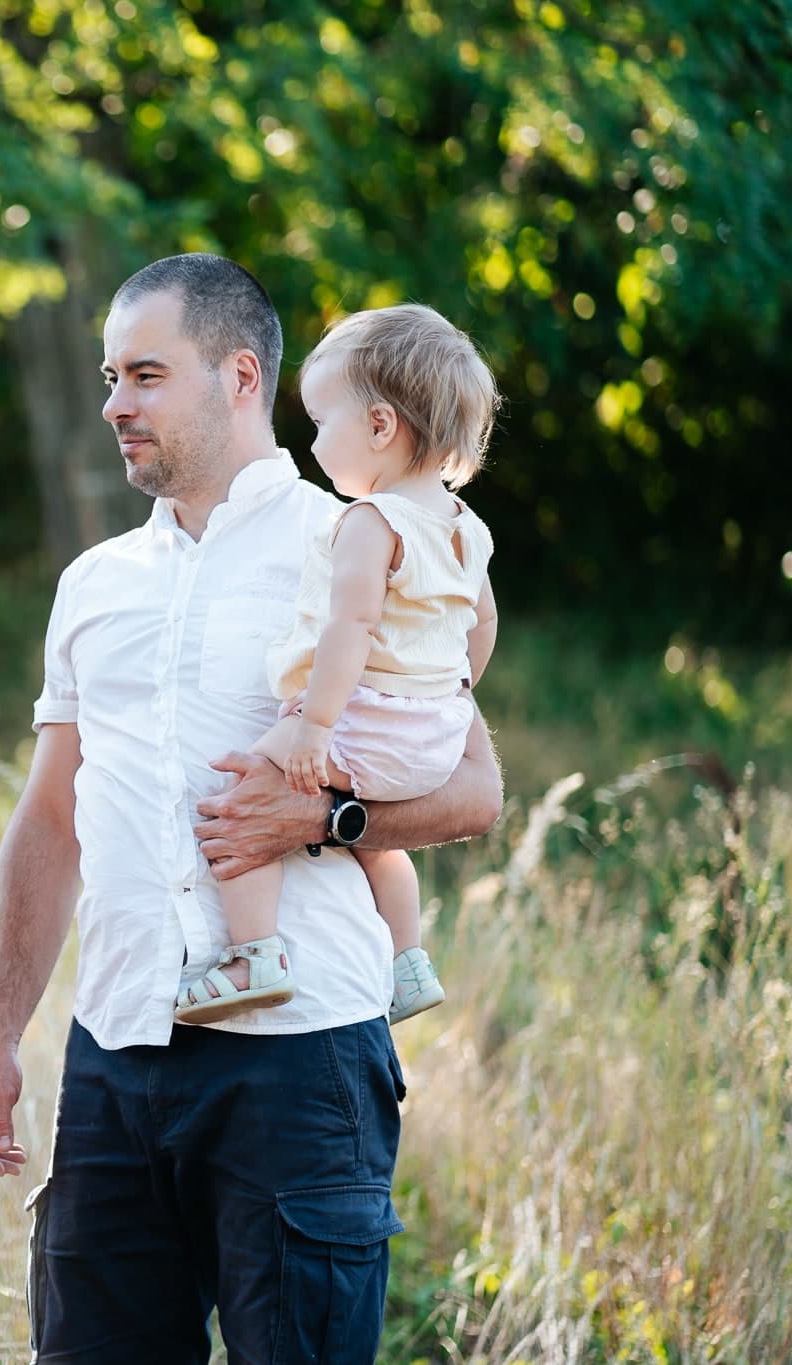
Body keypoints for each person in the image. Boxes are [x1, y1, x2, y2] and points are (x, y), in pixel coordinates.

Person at [0, 254, 503, 1363]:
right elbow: (48, 818)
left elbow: (470, 790)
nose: (114, 403)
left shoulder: (362, 536)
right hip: (113, 1048)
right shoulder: (92, 583)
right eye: (109, 377)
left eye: (143, 375)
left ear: (238, 376)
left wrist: (319, 821)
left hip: (297, 1061)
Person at [174, 303, 500, 1028]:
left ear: (380, 426)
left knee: (242, 794)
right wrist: (452, 692)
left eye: (324, 423)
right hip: (435, 736)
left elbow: (349, 628)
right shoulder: (464, 528)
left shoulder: (369, 522)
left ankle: (253, 954)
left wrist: (313, 725)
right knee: (376, 847)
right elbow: (482, 624)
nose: (315, 443)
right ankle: (408, 962)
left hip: (362, 722)